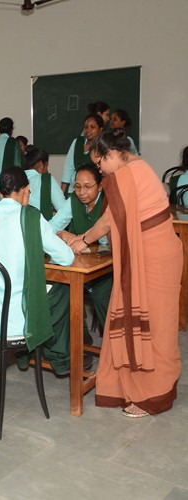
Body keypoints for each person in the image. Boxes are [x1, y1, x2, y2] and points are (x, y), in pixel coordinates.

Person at [69, 130, 182, 417]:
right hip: (162, 250)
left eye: (99, 164)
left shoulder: (125, 175)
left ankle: (150, 395)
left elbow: (107, 221)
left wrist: (81, 241)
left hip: (153, 256)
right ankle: (148, 385)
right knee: (158, 325)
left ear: (112, 155)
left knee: (153, 326)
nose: (100, 171)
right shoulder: (140, 166)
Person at [0, 167, 74, 375]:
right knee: (62, 291)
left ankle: (25, 356)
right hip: (16, 322)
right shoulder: (31, 217)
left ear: (0, 193)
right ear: (26, 190)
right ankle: (58, 358)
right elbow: (67, 258)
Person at [48, 164, 112, 353]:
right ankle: (79, 339)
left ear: (100, 186)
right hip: (81, 263)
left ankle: (115, 346)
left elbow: (107, 239)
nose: (81, 192)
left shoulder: (108, 202)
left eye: (87, 186)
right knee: (60, 288)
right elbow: (52, 226)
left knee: (102, 295)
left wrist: (78, 238)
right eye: (77, 186)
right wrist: (61, 234)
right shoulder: (73, 201)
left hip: (108, 264)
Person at [61, 114, 105, 193]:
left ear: (100, 129)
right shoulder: (77, 142)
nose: (88, 130)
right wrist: (62, 193)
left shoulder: (103, 147)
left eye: (92, 127)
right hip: (74, 189)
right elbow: (68, 168)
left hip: (93, 192)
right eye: (86, 127)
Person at [20, 146, 66, 220]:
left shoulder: (15, 178)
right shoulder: (47, 180)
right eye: (47, 166)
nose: (47, 170)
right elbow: (63, 210)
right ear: (41, 164)